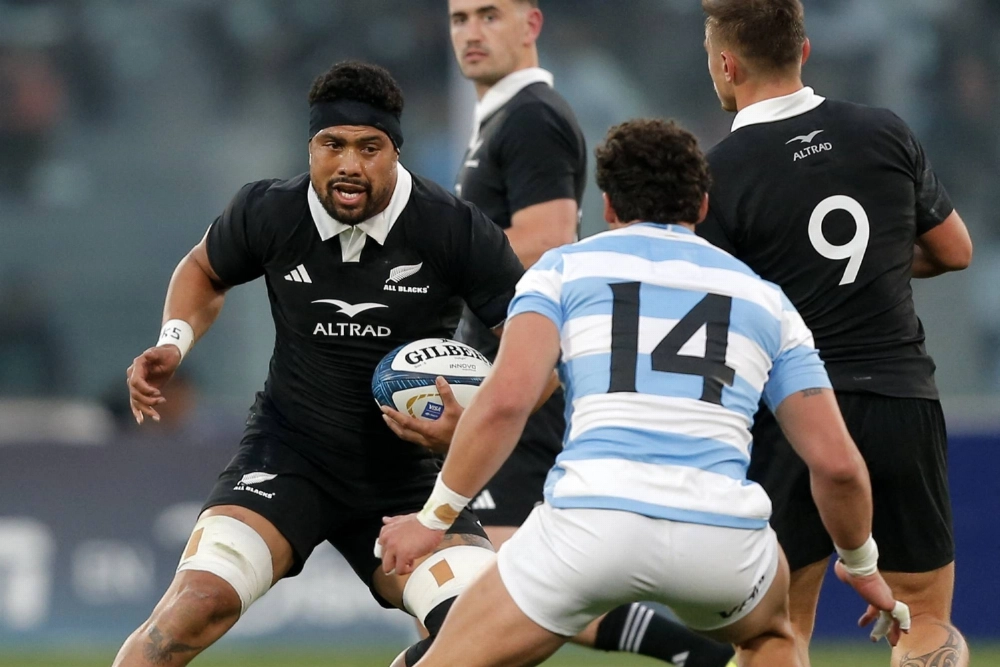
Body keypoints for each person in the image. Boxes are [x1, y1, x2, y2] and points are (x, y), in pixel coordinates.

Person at [377, 118, 909, 667]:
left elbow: (508, 400)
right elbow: (838, 465)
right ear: (702, 205)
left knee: (443, 659)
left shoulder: (561, 270)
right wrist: (862, 565)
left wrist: (433, 519)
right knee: (772, 637)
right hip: (720, 537)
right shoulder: (767, 301)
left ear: (607, 205)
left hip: (588, 527)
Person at [115, 61, 523, 667]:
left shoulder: (452, 228)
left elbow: (534, 349)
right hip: (287, 456)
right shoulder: (270, 211)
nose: (349, 165)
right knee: (190, 608)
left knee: (481, 634)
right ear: (311, 147)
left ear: (395, 153)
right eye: (332, 145)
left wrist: (469, 423)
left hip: (410, 477)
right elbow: (203, 268)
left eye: (369, 147)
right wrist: (174, 341)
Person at [386, 2, 739, 664]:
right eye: (459, 18)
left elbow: (548, 238)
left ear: (532, 24)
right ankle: (693, 653)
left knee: (489, 589)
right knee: (500, 583)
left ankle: (695, 652)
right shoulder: (498, 122)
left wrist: (428, 264)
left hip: (520, 373)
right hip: (508, 369)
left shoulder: (532, 118)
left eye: (489, 15)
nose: (470, 32)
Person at [697, 1, 973, 666]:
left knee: (778, 632)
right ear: (806, 50)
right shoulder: (884, 131)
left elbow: (715, 318)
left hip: (792, 413)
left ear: (727, 66)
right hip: (901, 399)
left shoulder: (718, 171)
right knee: (926, 618)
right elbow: (954, 249)